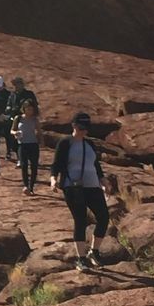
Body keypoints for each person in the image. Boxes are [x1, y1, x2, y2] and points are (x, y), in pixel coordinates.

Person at [50, 112, 111, 272]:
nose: (84, 131)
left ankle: (94, 252)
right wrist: (53, 179)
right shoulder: (65, 143)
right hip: (73, 186)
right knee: (80, 220)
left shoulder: (89, 144)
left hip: (92, 186)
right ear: (74, 126)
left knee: (104, 217)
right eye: (81, 128)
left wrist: (102, 180)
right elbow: (56, 164)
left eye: (86, 128)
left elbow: (95, 164)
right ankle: (80, 258)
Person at [5, 77, 39, 166]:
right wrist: (9, 109)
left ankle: (30, 158)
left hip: (27, 118)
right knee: (14, 138)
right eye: (15, 85)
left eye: (18, 84)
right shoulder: (12, 95)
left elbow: (34, 104)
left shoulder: (29, 94)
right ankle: (20, 158)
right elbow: (8, 106)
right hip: (16, 118)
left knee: (29, 138)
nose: (16, 86)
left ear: (22, 84)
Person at [12, 100, 43, 195]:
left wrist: (41, 142)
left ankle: (31, 187)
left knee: (34, 166)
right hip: (22, 144)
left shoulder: (35, 120)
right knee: (24, 165)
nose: (30, 111)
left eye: (31, 109)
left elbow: (39, 131)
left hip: (33, 144)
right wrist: (15, 133)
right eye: (28, 109)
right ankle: (26, 185)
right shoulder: (18, 118)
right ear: (24, 109)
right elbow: (12, 130)